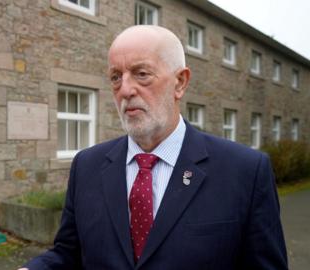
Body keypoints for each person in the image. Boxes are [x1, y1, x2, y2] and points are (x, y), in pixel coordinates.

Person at [19, 25, 287, 270]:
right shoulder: (87, 165)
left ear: (180, 82)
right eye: (115, 77)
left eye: (141, 74)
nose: (125, 90)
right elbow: (68, 253)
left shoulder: (245, 171)